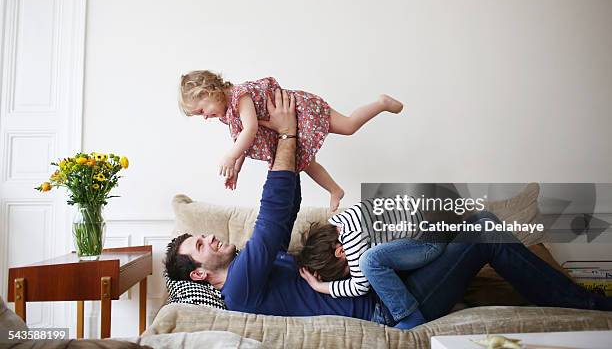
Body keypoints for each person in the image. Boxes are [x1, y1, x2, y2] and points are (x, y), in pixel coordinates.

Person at [164, 88, 612, 328]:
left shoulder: (256, 267)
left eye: (203, 235)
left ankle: (579, 302)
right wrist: (285, 136)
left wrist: (292, 145)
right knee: (483, 227)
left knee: (473, 220)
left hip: (386, 282)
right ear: (201, 273)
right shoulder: (240, 287)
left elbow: (286, 210)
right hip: (387, 306)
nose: (210, 238)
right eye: (201, 245)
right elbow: (273, 218)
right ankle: (586, 307)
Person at [178, 70, 403, 211]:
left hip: (299, 110)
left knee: (348, 126)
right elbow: (241, 140)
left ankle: (381, 103)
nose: (205, 117)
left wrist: (230, 156)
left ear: (209, 91)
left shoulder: (239, 95)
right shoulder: (227, 114)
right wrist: (236, 168)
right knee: (304, 163)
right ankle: (335, 189)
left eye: (201, 110)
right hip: (285, 127)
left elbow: (251, 129)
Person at [296, 201, 445, 329]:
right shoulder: (340, 221)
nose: (352, 270)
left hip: (428, 242)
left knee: (368, 261)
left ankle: (409, 316)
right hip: (424, 232)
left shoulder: (351, 240)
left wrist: (318, 287)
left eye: (346, 268)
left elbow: (360, 286)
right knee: (375, 261)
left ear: (340, 252)